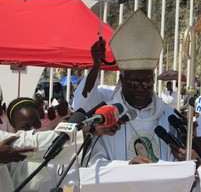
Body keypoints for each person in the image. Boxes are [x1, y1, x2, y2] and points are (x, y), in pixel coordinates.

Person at [73, 9, 181, 167]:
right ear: (122, 81)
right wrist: (126, 168)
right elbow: (94, 164)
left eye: (146, 82)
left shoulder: (169, 116)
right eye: (133, 83)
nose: (140, 88)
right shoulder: (108, 119)